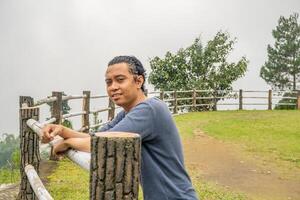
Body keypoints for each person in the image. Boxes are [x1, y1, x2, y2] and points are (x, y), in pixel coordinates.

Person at [42, 56, 198, 200]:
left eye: (120, 80)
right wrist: (62, 131)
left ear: (138, 81)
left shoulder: (149, 110)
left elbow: (103, 143)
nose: (113, 87)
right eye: (108, 82)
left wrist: (68, 143)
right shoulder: (128, 113)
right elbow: (97, 136)